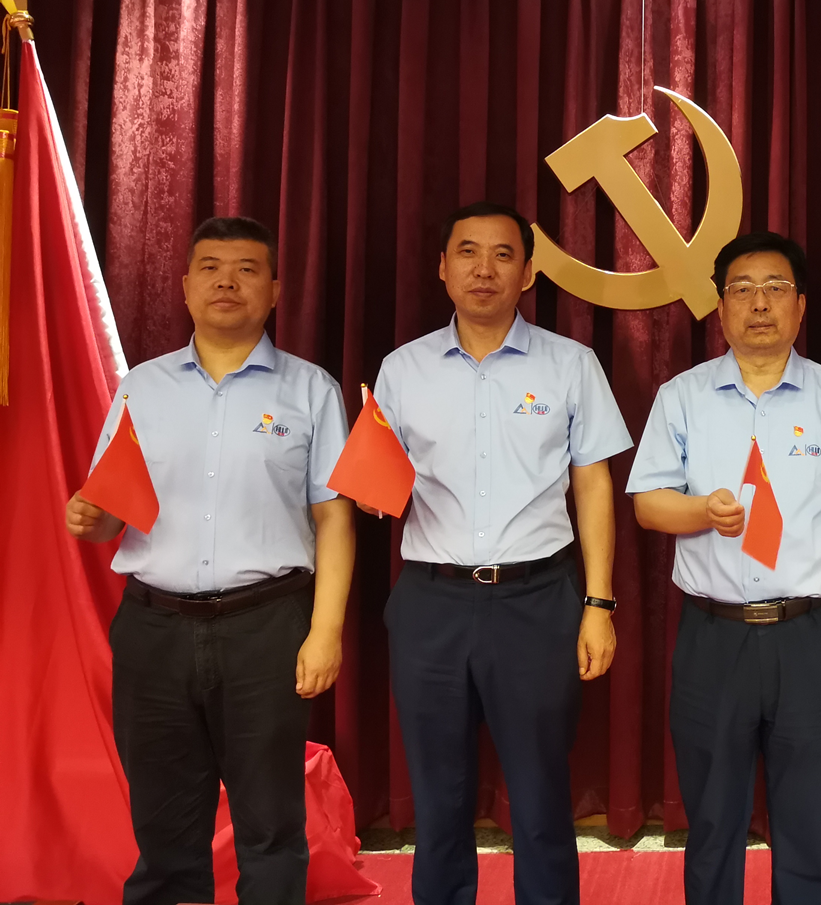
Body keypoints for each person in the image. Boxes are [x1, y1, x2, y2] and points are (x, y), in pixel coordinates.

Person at [65, 216, 355, 905]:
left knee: (270, 822)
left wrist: (325, 631)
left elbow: (334, 517)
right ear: (186, 286)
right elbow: (112, 510)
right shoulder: (142, 387)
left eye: (247, 269)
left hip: (267, 626)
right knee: (163, 820)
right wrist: (91, 518)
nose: (228, 282)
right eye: (212, 268)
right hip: (154, 628)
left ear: (275, 290)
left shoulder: (311, 390)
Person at [369, 200, 632, 905]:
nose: (484, 269)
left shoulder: (571, 365)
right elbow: (380, 480)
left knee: (541, 797)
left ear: (529, 273)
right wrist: (370, 493)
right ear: (442, 268)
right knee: (439, 798)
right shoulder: (403, 369)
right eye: (468, 252)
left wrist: (598, 603)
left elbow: (594, 486)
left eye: (503, 254)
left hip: (537, 600)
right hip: (431, 601)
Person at [627, 231, 821, 905]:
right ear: (721, 308)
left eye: (776, 288)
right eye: (742, 289)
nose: (760, 303)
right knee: (713, 820)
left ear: (801, 306)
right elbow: (649, 505)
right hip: (714, 636)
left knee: (808, 822)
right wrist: (700, 512)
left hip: (813, 633)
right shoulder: (682, 397)